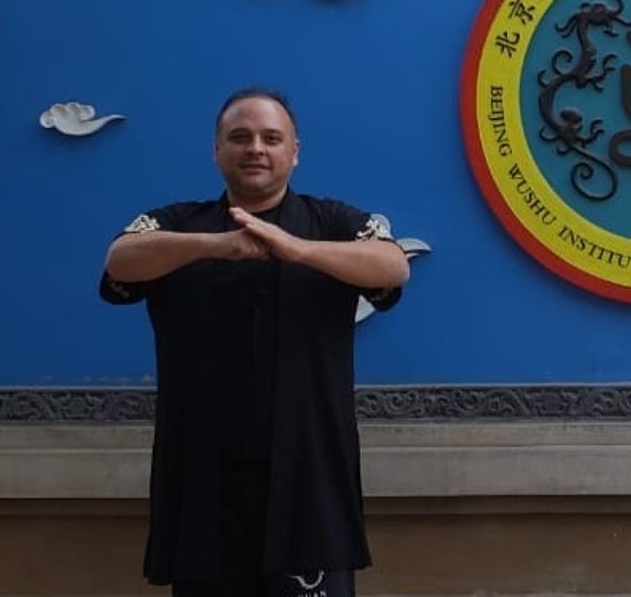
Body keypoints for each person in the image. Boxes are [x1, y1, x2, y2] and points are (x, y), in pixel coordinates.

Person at [101, 88, 413, 597]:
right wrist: (217, 245)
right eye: (239, 137)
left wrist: (297, 249)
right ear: (216, 150)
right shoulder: (178, 223)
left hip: (308, 475)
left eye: (272, 138)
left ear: (295, 151)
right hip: (203, 477)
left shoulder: (333, 222)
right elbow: (120, 261)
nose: (256, 149)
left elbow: (393, 267)